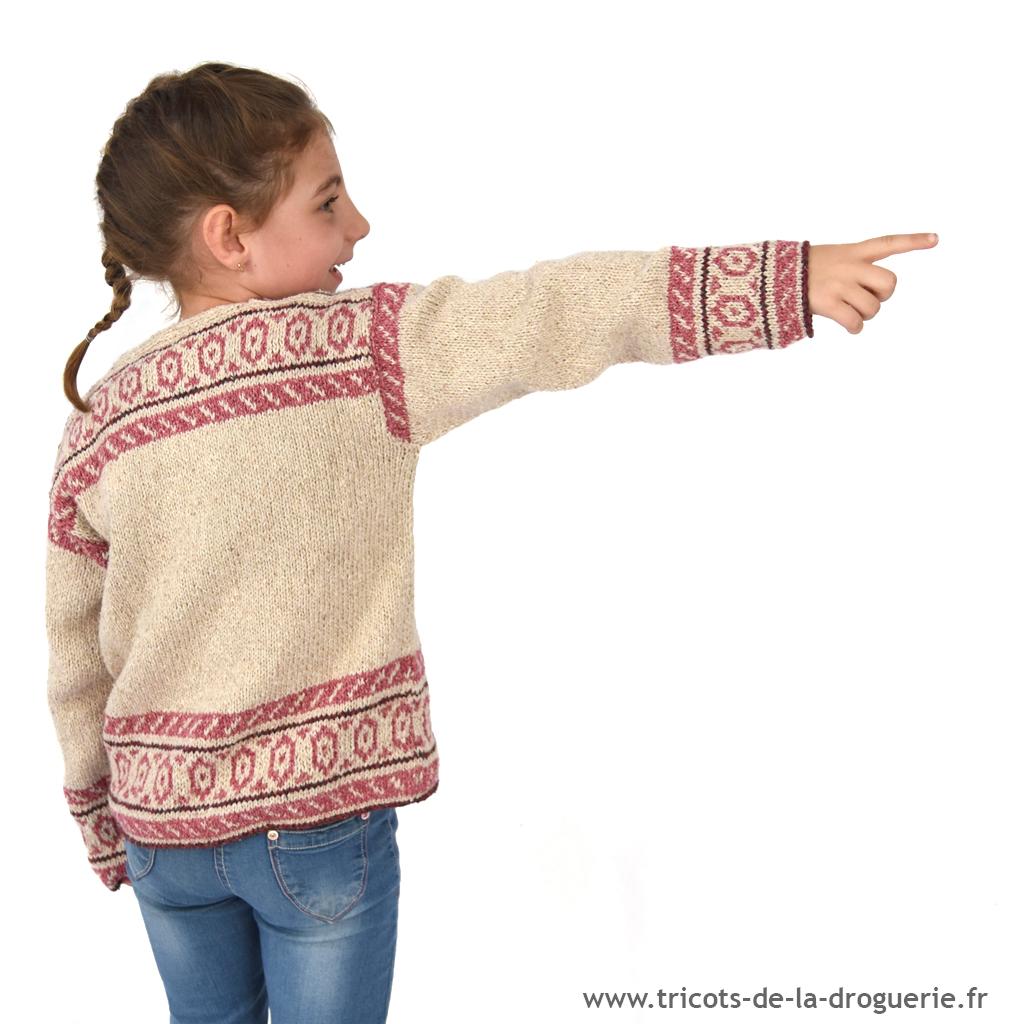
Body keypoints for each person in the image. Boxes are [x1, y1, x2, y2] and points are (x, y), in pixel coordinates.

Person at [44, 60, 939, 1024]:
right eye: (329, 201)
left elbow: (72, 651)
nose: (359, 225)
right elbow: (554, 312)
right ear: (230, 236)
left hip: (162, 832)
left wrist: (99, 815)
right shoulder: (360, 351)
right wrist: (780, 280)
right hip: (314, 828)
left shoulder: (101, 422)